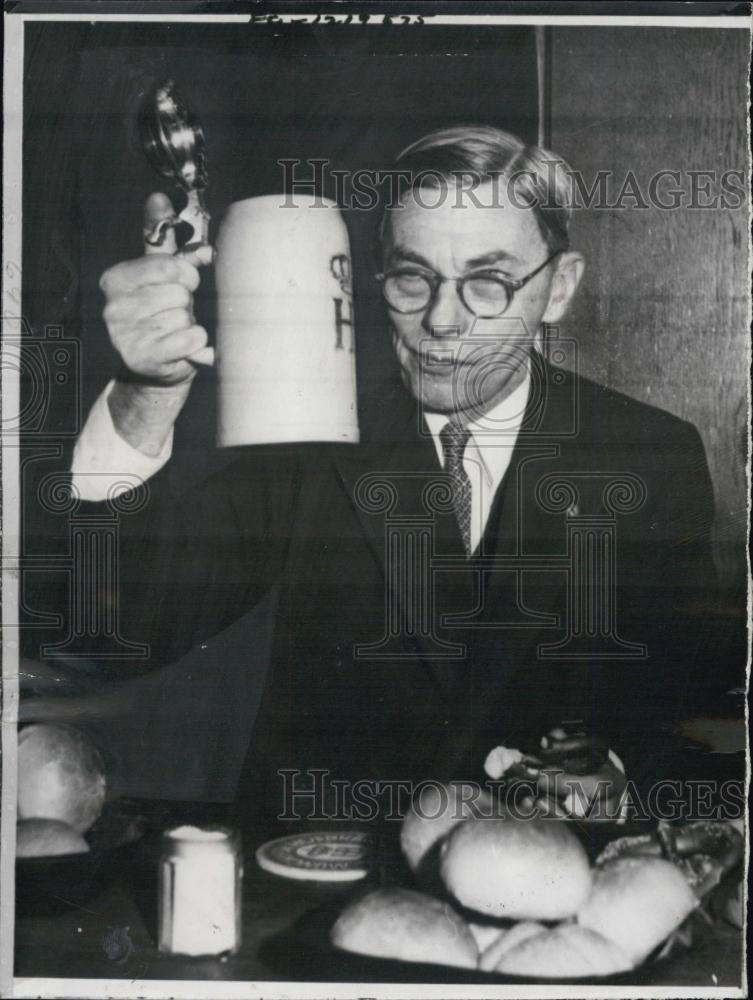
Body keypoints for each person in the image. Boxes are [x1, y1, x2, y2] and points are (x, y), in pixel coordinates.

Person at [56, 126, 723, 824]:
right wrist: (143, 396)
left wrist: (618, 775)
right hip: (319, 888)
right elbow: (115, 628)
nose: (440, 320)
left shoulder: (648, 455)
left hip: (554, 885)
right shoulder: (312, 435)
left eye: (488, 282)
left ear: (558, 288)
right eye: (412, 277)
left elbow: (689, 706)